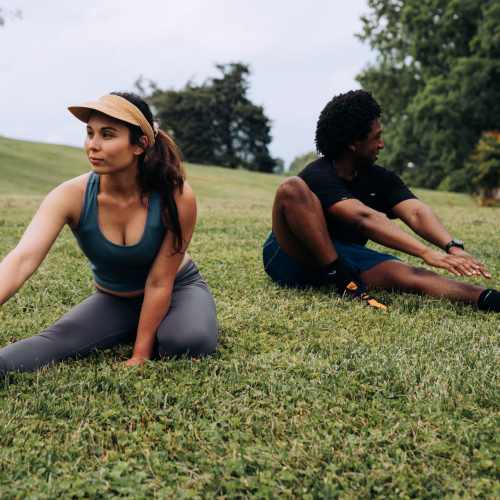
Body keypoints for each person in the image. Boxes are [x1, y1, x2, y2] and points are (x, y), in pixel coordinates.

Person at [0, 92, 218, 375]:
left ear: (139, 145)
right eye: (90, 133)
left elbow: (160, 281)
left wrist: (140, 354)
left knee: (185, 342)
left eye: (107, 134)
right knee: (53, 343)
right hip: (115, 299)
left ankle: (157, 328)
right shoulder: (70, 196)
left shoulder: (175, 195)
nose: (93, 145)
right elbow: (22, 260)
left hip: (178, 289)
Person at [263, 90, 499, 312]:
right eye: (377, 137)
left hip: (344, 257)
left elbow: (415, 211)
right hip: (290, 257)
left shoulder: (379, 178)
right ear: (353, 143)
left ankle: (489, 299)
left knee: (409, 275)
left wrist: (451, 247)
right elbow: (362, 218)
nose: (382, 144)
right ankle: (342, 279)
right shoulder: (318, 174)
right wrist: (426, 252)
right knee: (291, 188)